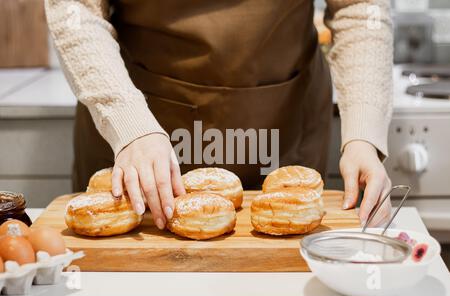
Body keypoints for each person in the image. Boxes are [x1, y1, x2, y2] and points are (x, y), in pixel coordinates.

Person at [46, 0, 393, 230]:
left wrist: (363, 131)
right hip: (139, 116)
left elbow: (362, 7)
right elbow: (77, 9)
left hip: (281, 117)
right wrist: (128, 123)